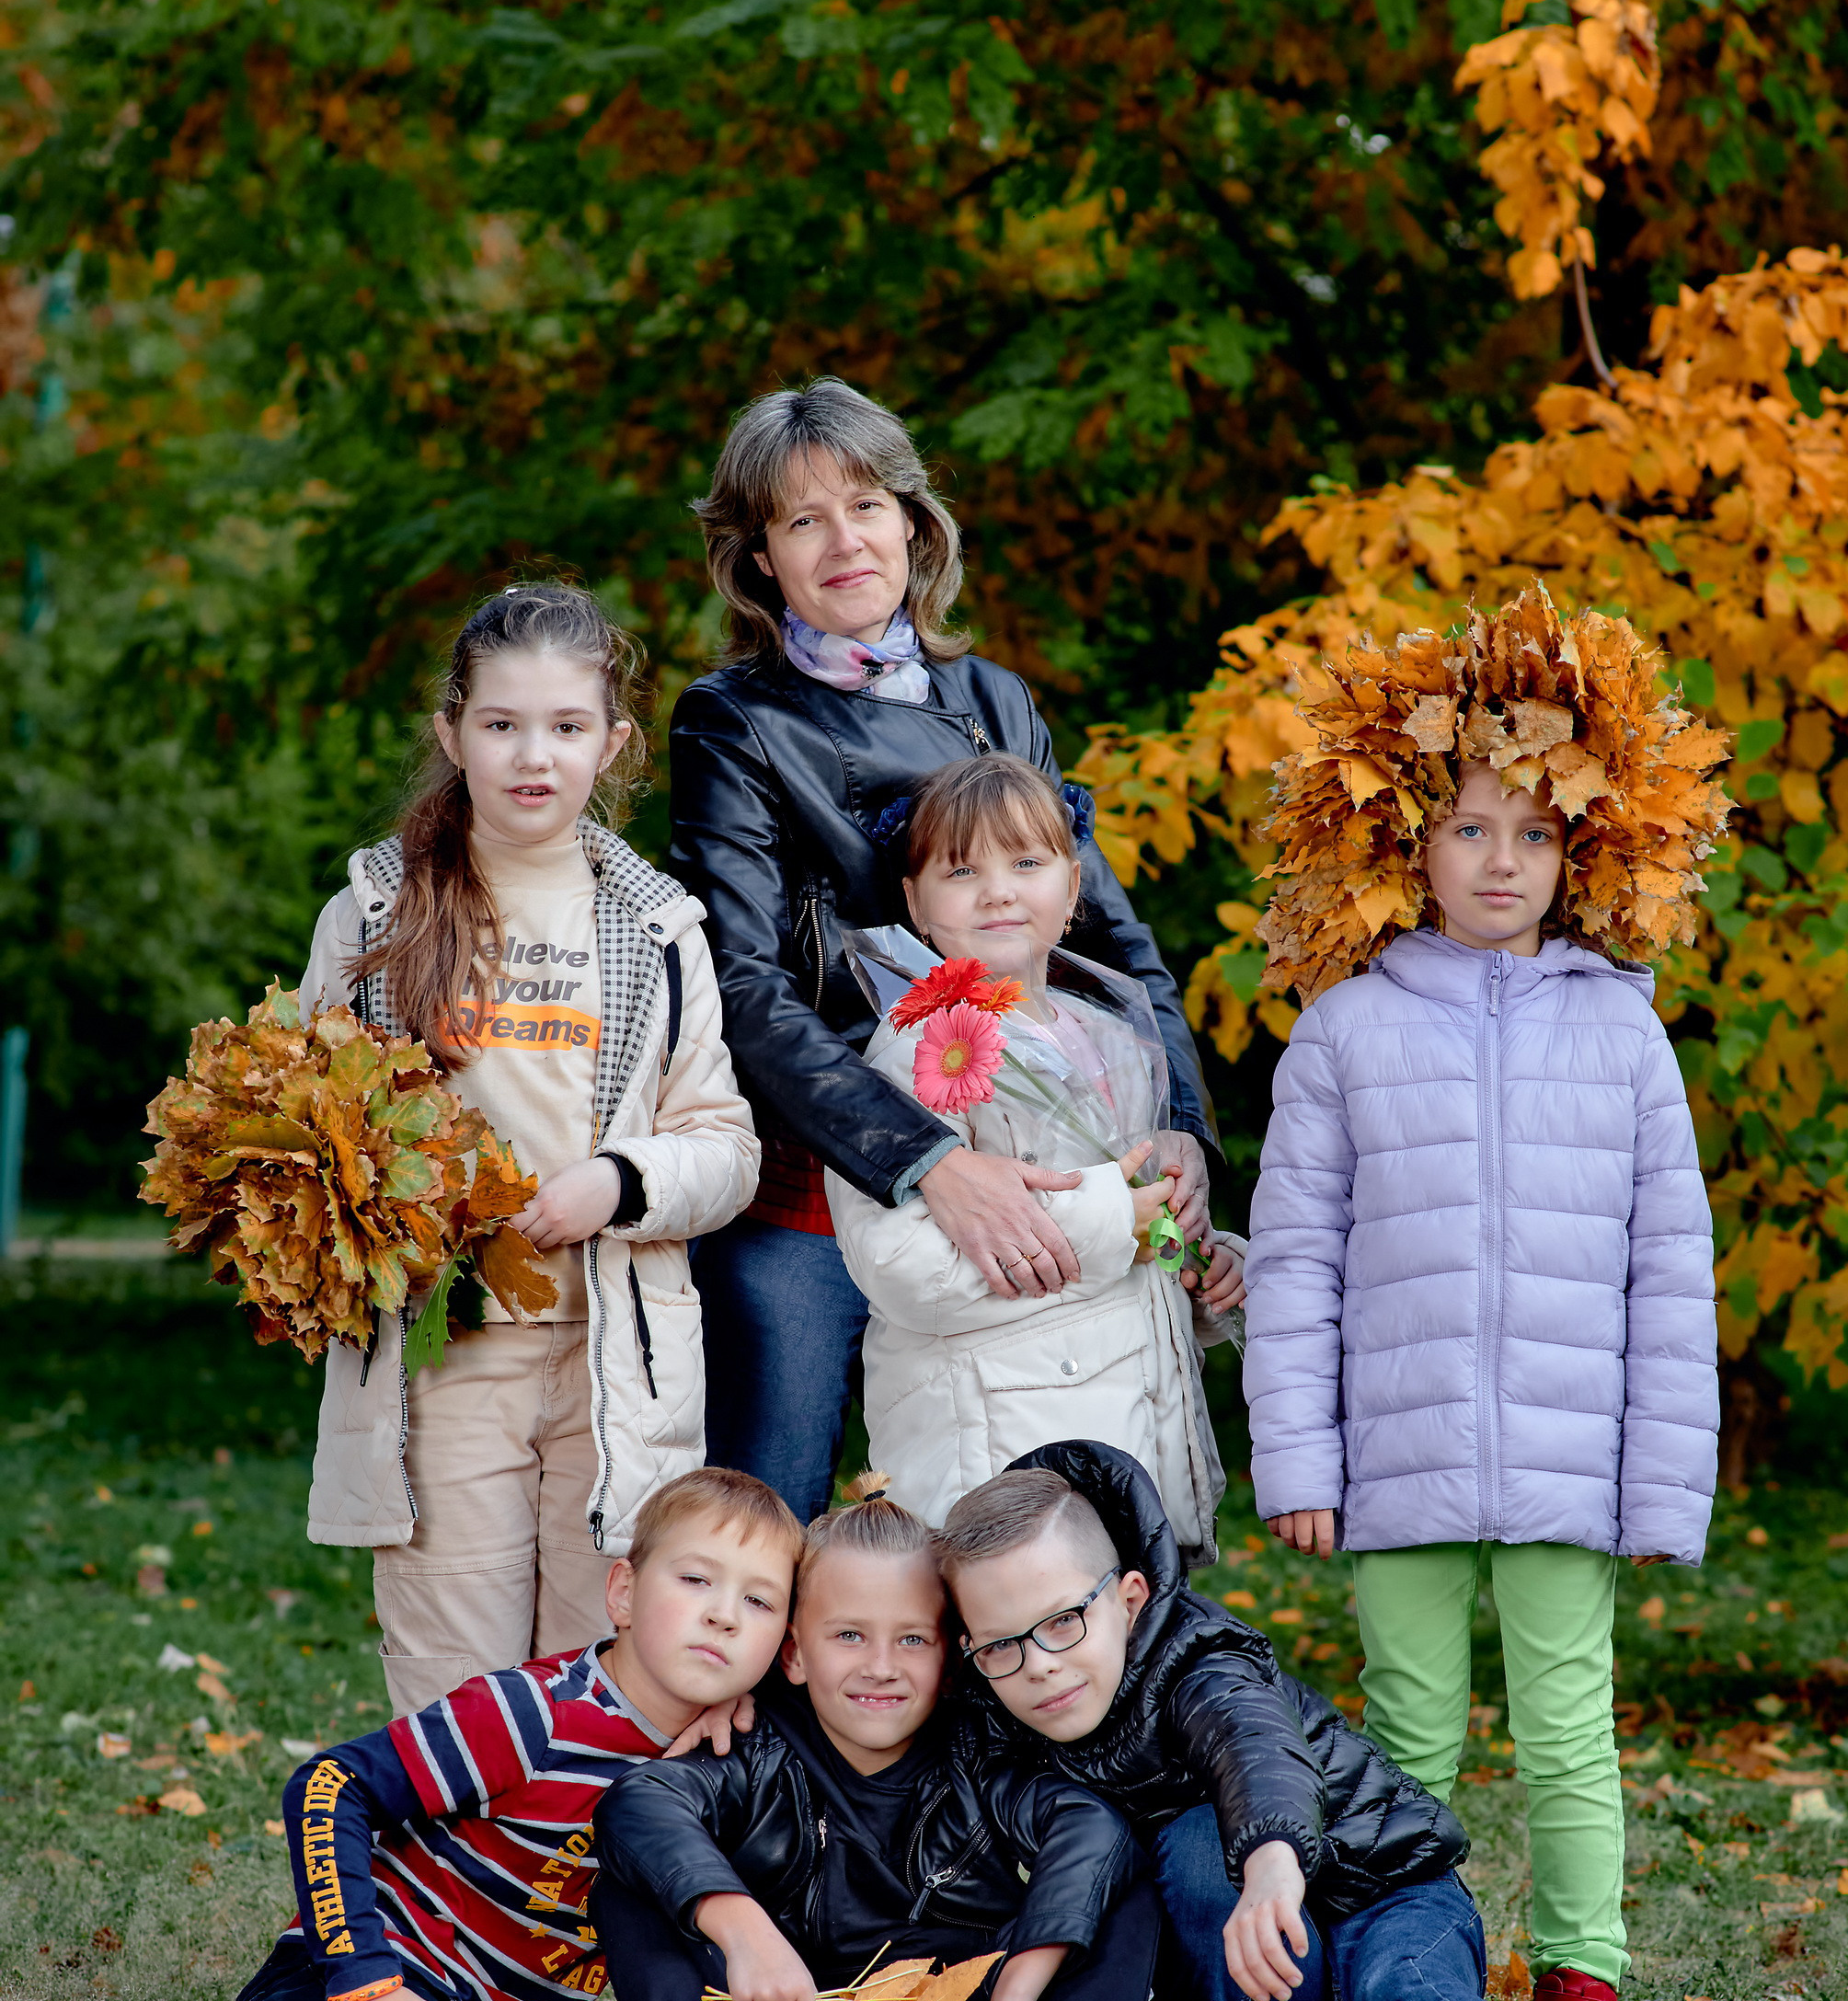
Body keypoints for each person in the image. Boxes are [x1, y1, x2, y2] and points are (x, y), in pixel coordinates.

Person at [670, 375, 1218, 1525]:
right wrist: (925, 1159)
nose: (843, 541)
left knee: (1006, 1516)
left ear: (914, 523)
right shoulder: (733, 719)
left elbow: (1114, 944)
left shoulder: (994, 700)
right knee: (764, 1520)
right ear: (761, 557)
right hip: (817, 1184)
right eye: (802, 519)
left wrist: (1182, 1127)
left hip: (1027, 1171)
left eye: (866, 505)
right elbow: (744, 987)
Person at [1244, 758, 1719, 2001]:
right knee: (1404, 1738)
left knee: (1568, 1729)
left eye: (1535, 832)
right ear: (1411, 843)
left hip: (1569, 1457)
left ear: (1583, 854)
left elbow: (1670, 1268)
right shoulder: (1345, 1030)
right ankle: (1400, 1983)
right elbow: (1296, 1261)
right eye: (1468, 826)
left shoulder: (1624, 1031)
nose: (1501, 860)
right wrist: (1301, 1457)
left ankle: (1583, 1984)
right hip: (1399, 1456)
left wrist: (1660, 1485)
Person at [936, 1446, 1751, 2001]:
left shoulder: (1202, 1660)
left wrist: (1271, 1860)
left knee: (1394, 1988)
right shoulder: (1003, 1735)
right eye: (1003, 1644)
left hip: (1387, 1901)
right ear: (970, 1649)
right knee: (1184, 1846)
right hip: (1279, 1994)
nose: (1039, 1663)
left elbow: (1254, 1744)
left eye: (1062, 1621)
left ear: (1129, 1596)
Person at [24, 1470, 803, 2001]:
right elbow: (327, 1787)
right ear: (623, 1592)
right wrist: (364, 1982)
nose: (723, 1614)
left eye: (759, 1601)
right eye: (695, 1578)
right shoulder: (535, 1715)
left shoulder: (727, 1765)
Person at [298, 580, 759, 1715]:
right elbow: (303, 1129)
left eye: (565, 725)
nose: (532, 755)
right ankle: (456, 1844)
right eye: (501, 723)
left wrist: (620, 1181)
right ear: (452, 731)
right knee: (460, 1686)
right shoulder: (374, 911)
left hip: (617, 1365)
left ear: (614, 743)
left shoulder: (660, 926)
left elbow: (726, 1147)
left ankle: (580, 1848)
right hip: (445, 1359)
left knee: (604, 1680)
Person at [594, 1489, 1155, 2001]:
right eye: (849, 1634)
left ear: (949, 1657)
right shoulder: (758, 1748)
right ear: (794, 1652)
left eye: (912, 1639)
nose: (881, 1666)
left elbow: (1090, 1825)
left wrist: (1018, 1990)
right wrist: (745, 1933)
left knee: (1118, 1878)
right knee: (630, 1885)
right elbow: (637, 1802)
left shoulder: (977, 1751)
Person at [824, 753, 1243, 1556]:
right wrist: (1113, 1218)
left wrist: (1197, 1268)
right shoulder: (916, 1051)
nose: (998, 891)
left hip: (1135, 1463)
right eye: (961, 870)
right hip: (999, 1471)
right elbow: (903, 1269)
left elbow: (1135, 1244)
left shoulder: (1120, 1040)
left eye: (1026, 862)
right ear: (914, 903)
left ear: (1073, 885)